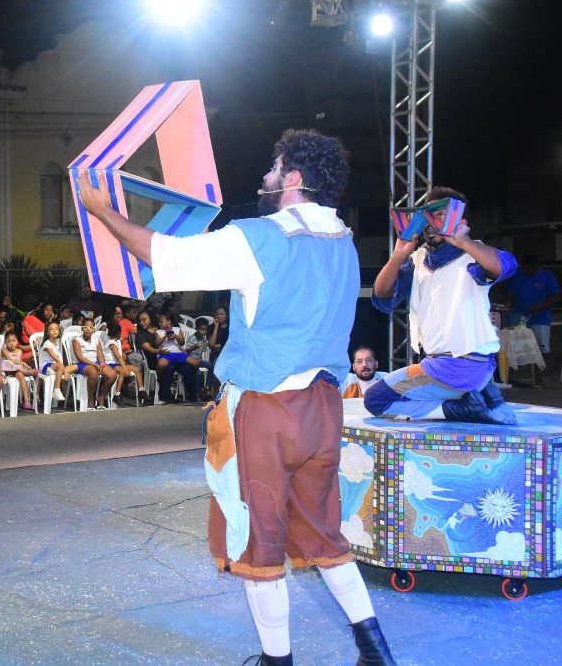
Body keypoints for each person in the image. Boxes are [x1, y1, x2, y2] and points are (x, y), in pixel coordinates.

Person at [78, 129, 394, 665]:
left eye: (273, 169)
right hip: (323, 406)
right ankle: (374, 648)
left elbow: (161, 254)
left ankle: (277, 661)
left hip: (267, 409)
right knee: (324, 532)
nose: (264, 177)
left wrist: (102, 210)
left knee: (257, 539)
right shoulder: (342, 238)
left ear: (292, 179)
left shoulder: (261, 236)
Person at [367, 186, 518, 425]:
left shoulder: (472, 255)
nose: (432, 222)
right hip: (439, 364)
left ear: (461, 221)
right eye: (427, 216)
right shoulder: (418, 260)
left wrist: (463, 241)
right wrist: (397, 255)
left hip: (462, 365)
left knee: (376, 400)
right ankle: (480, 397)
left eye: (440, 216)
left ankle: (463, 408)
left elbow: (505, 266)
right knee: (399, 400)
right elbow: (382, 295)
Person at [506, 254, 559, 355]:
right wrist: (507, 308)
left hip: (540, 320)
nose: (526, 271)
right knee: (520, 349)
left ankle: (542, 370)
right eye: (524, 268)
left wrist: (542, 305)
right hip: (519, 320)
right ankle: (523, 370)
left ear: (535, 266)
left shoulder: (547, 277)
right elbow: (510, 295)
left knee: (542, 348)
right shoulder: (517, 276)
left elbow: (556, 295)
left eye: (528, 268)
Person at [71, 318, 117, 411]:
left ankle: (101, 397)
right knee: (93, 372)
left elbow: (100, 355)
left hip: (95, 363)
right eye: (85, 327)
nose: (88, 329)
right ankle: (90, 400)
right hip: (82, 364)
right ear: (82, 329)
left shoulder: (97, 340)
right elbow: (80, 357)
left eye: (90, 327)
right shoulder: (77, 340)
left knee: (112, 374)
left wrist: (102, 364)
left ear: (94, 329)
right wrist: (95, 365)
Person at [37, 321, 76, 404]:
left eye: (56, 329)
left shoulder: (58, 342)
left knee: (64, 370)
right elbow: (56, 358)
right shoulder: (47, 344)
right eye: (51, 329)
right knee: (61, 367)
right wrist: (64, 369)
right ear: (47, 333)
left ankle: (65, 396)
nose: (54, 331)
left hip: (54, 366)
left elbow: (60, 358)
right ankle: (57, 390)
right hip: (45, 366)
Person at [0, 332, 37, 410]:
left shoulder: (19, 351)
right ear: (5, 342)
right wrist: (23, 363)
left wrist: (22, 365)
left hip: (17, 371)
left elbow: (18, 365)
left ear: (17, 341)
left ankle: (26, 400)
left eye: (14, 341)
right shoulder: (4, 350)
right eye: (9, 341)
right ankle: (27, 372)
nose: (11, 343)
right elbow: (10, 360)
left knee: (20, 375)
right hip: (6, 371)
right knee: (11, 364)